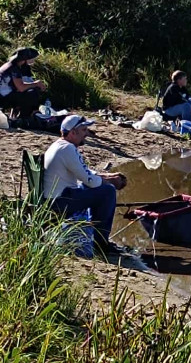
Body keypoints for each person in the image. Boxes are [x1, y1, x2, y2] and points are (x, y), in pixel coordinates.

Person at [43, 114, 127, 256]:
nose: (86, 134)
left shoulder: (59, 145)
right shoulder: (68, 149)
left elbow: (84, 172)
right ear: (72, 132)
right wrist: (109, 181)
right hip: (60, 203)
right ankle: (101, 244)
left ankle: (96, 236)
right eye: (83, 130)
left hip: (55, 197)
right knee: (108, 192)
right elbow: (90, 181)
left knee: (98, 188)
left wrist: (105, 176)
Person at [0, 47, 47, 121]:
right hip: (3, 98)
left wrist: (33, 84)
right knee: (32, 93)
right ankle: (24, 119)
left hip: (3, 95)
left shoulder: (9, 65)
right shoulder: (15, 69)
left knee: (27, 91)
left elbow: (18, 85)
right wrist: (36, 84)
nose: (33, 60)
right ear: (24, 59)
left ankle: (16, 116)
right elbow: (21, 88)